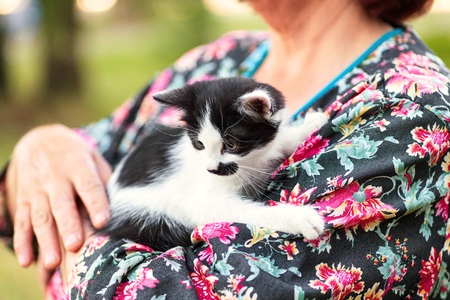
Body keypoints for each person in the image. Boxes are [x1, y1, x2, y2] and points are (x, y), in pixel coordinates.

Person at [2, 0, 450, 298]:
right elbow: (25, 207)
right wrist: (41, 144)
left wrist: (77, 246)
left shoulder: (411, 112)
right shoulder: (218, 60)